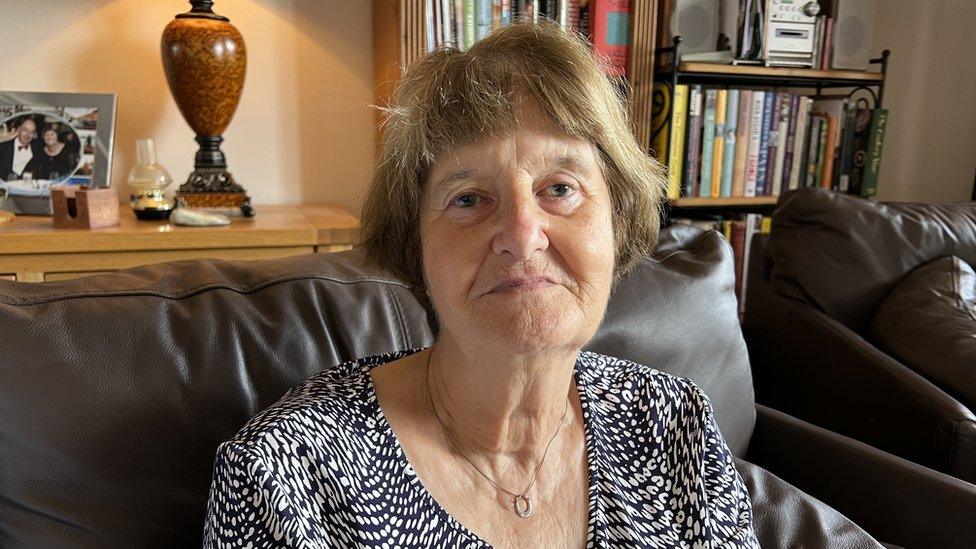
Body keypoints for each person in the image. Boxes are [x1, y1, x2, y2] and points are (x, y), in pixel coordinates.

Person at [203, 21, 758, 548]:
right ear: (415, 247)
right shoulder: (284, 481)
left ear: (618, 222)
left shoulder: (676, 420)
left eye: (560, 188)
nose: (521, 235)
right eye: (468, 199)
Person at [0, 117, 37, 181]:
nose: (28, 135)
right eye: (25, 130)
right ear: (19, 129)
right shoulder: (3, 147)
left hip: (26, 188)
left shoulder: (37, 148)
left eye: (31, 132)